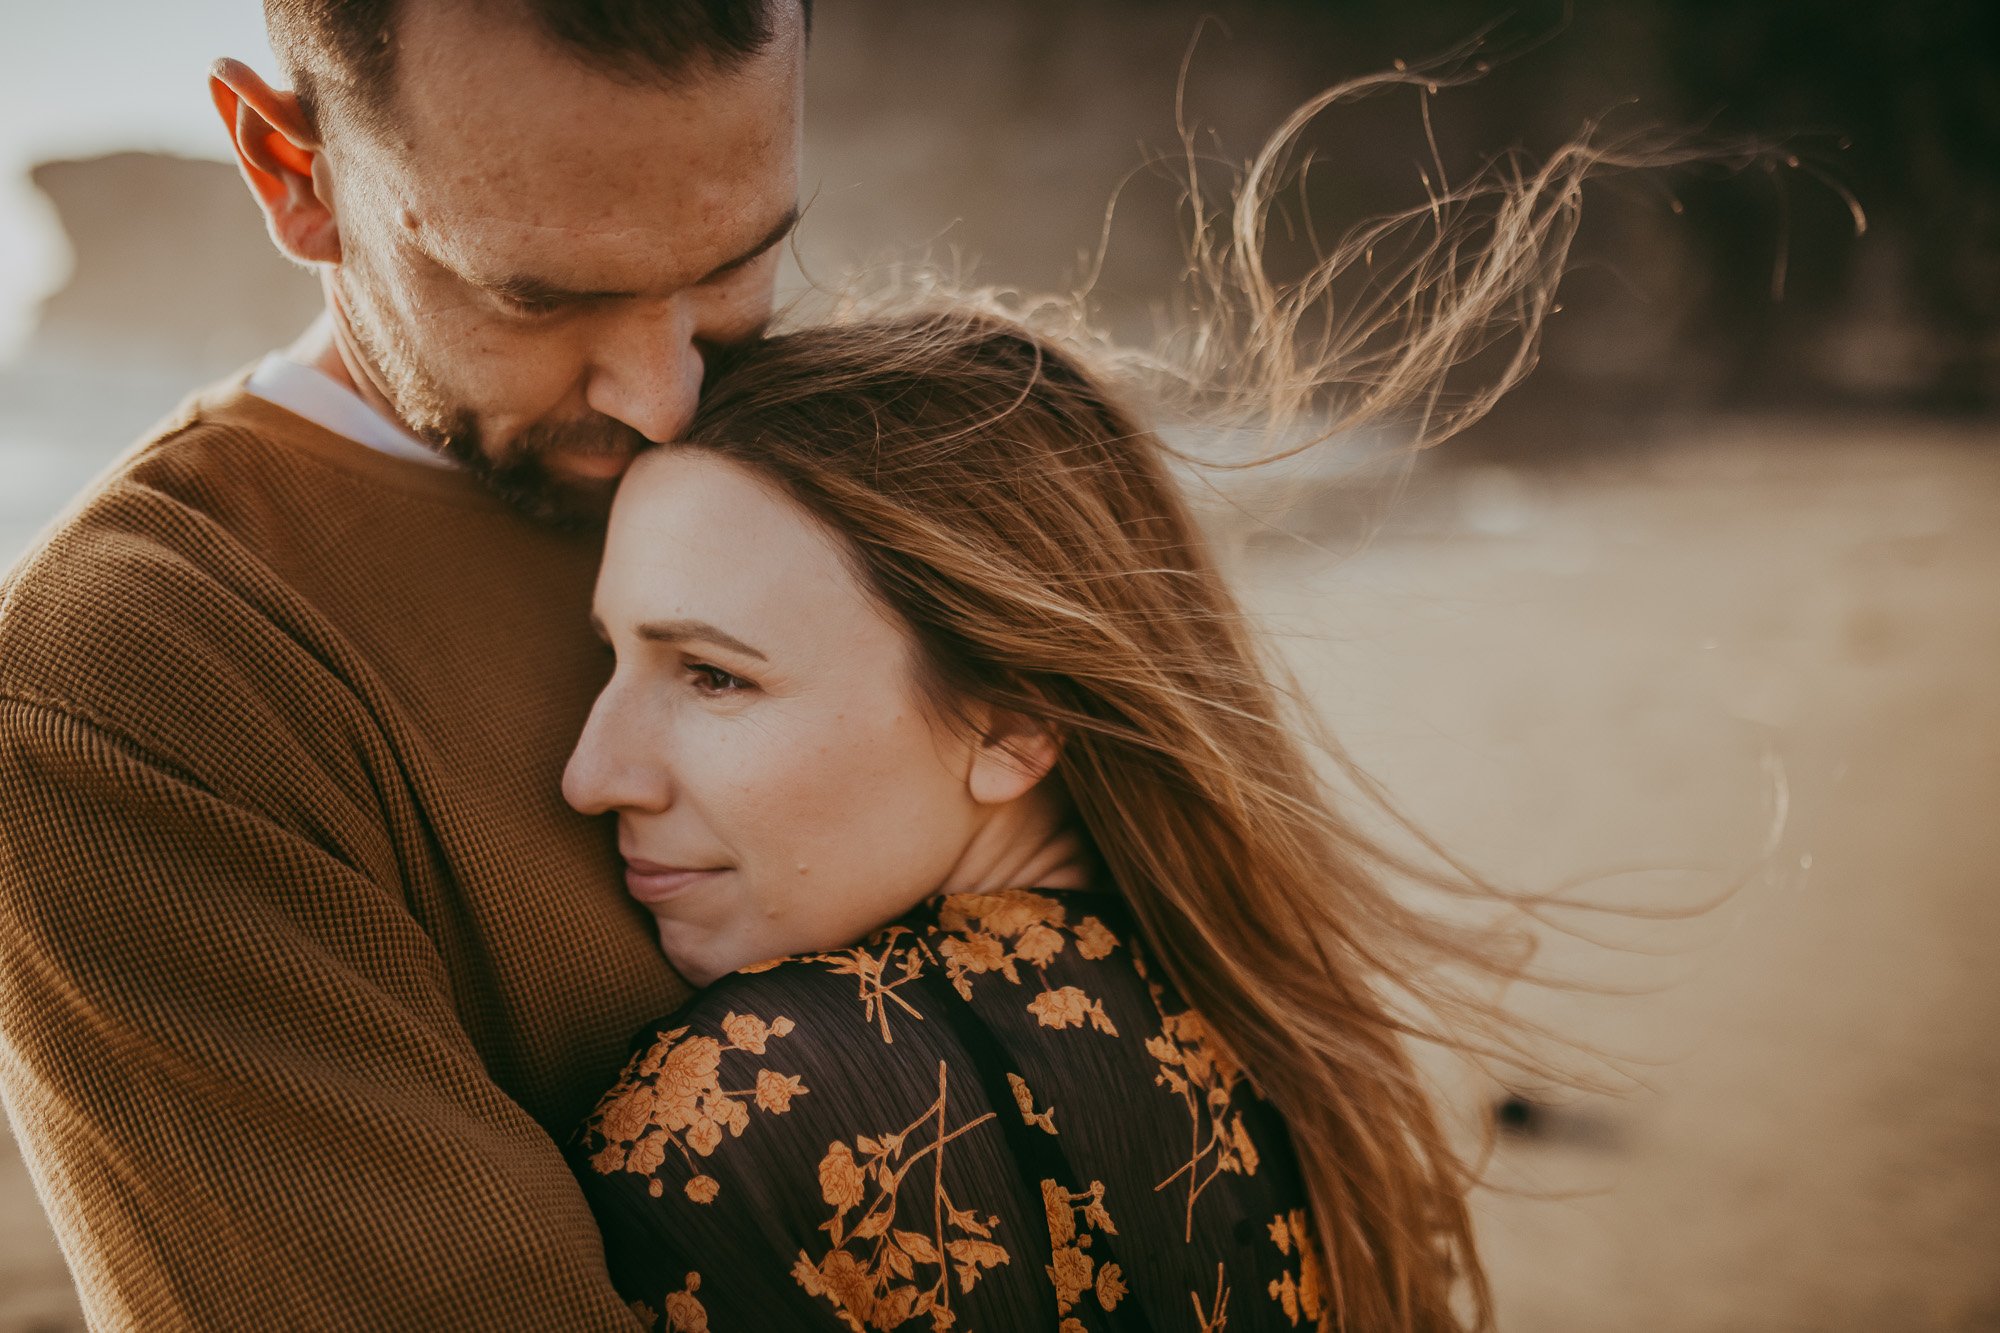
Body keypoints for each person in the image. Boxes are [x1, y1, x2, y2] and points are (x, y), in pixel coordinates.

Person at [0, 1, 806, 1326]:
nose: (663, 397)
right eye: (538, 295)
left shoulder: (858, 461)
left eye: (735, 266)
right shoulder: (134, 678)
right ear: (289, 170)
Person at [559, 308, 1492, 1332]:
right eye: (608, 656)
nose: (592, 775)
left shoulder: (737, 1110)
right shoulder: (1285, 1051)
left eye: (713, 675)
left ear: (1008, 722)